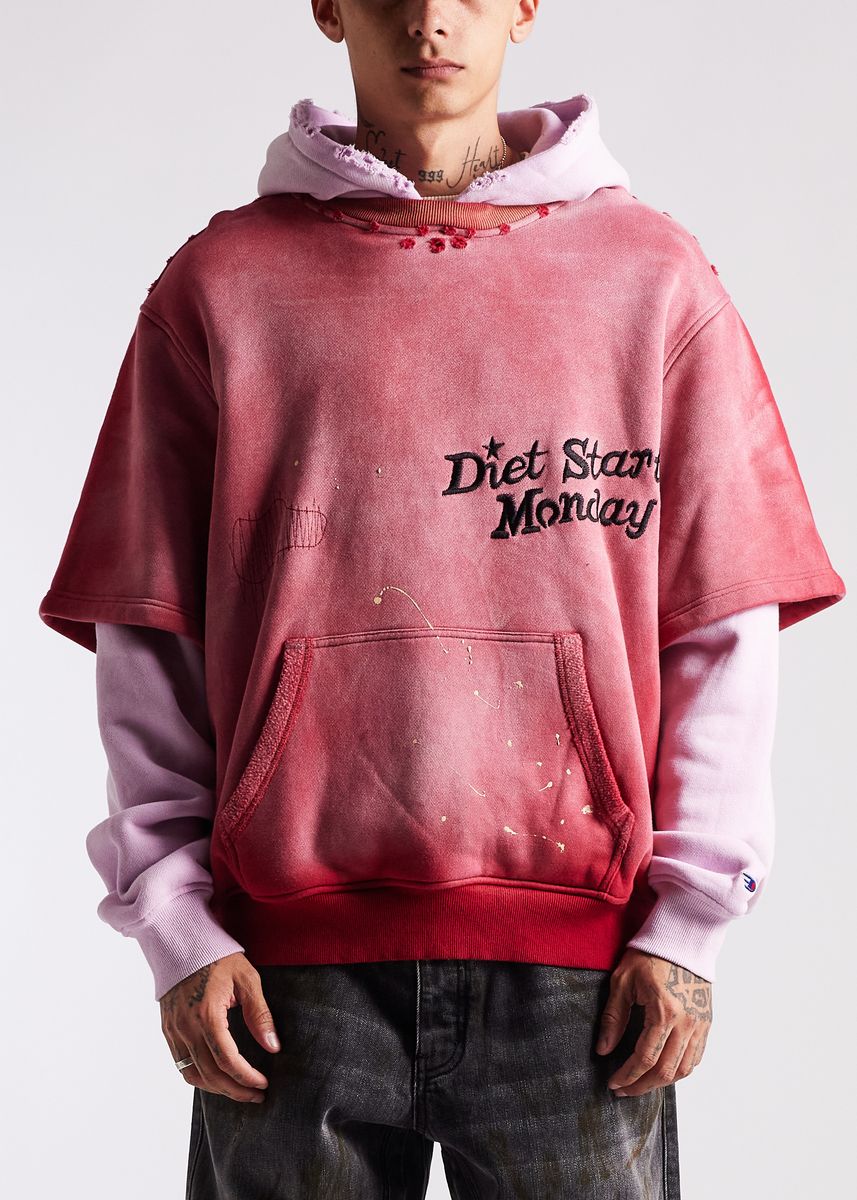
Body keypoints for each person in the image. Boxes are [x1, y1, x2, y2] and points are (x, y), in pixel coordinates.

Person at [38, 2, 846, 1196]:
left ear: (523, 4)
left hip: (583, 977)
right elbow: (146, 628)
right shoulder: (221, 286)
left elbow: (718, 623)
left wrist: (689, 922)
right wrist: (175, 926)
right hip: (281, 977)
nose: (427, 19)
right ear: (327, 6)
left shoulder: (651, 281)